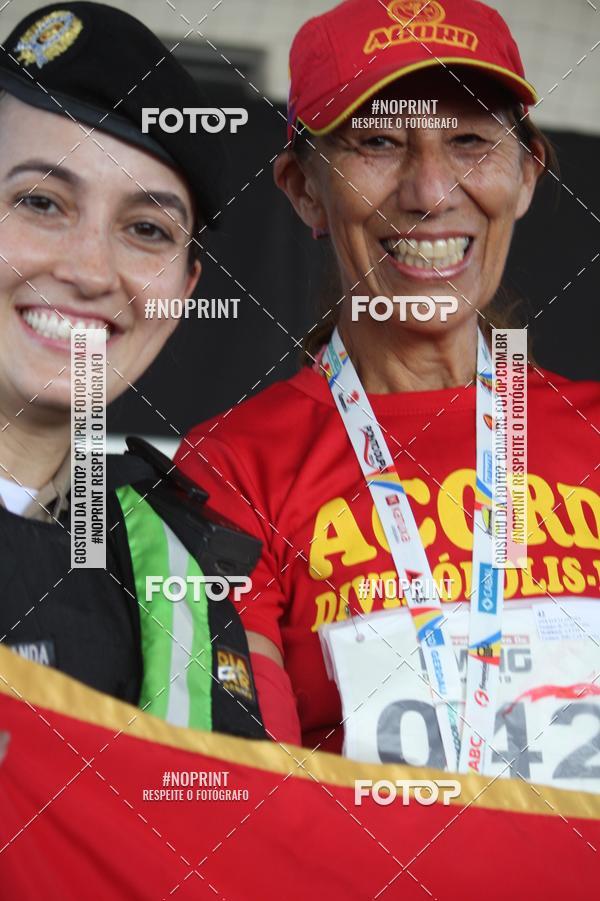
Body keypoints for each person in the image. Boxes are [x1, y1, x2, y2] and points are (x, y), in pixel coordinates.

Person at [176, 0, 600, 762]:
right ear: (305, 189)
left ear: (526, 175)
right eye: (377, 142)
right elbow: (251, 798)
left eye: (470, 141)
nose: (431, 190)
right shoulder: (230, 471)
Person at [0, 3, 264, 740]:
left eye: (146, 229)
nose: (90, 271)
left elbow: (219, 835)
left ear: (183, 293)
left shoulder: (170, 562)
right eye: (41, 202)